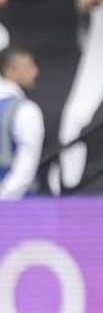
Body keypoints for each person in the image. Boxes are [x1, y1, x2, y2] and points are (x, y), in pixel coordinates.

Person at [0, 44, 42, 200]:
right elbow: (26, 168)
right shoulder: (26, 111)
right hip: (17, 210)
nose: (35, 72)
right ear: (10, 71)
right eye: (29, 67)